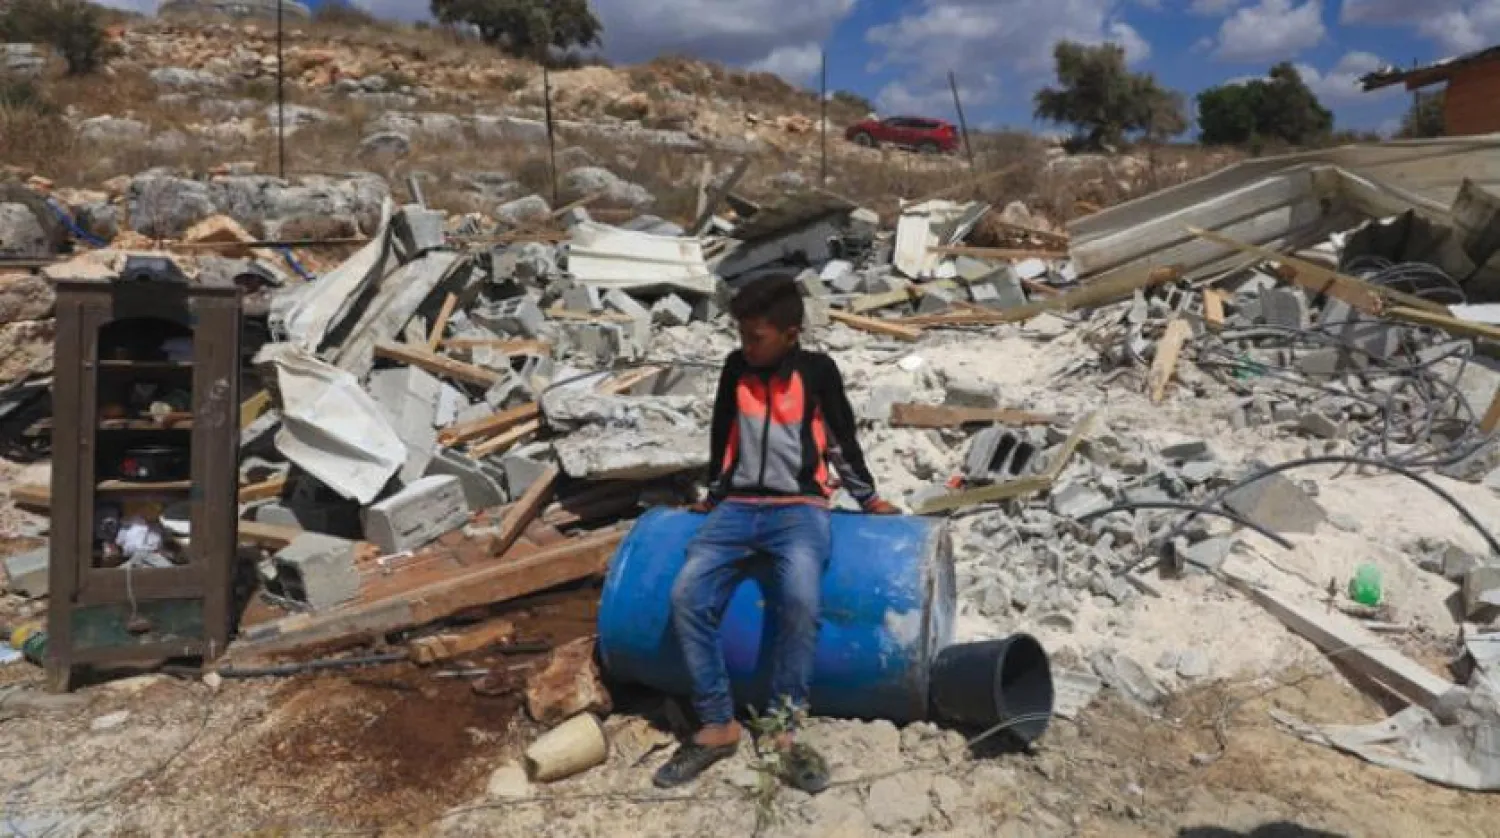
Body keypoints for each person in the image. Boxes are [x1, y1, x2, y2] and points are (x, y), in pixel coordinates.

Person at [654, 273, 899, 791]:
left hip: (799, 510)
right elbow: (723, 436)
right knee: (686, 596)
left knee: (801, 601)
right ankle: (719, 723)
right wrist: (714, 497)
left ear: (790, 334)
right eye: (741, 336)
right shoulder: (735, 369)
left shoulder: (817, 372)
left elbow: (840, 441)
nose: (746, 347)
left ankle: (783, 728)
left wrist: (869, 498)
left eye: (755, 337)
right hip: (737, 508)